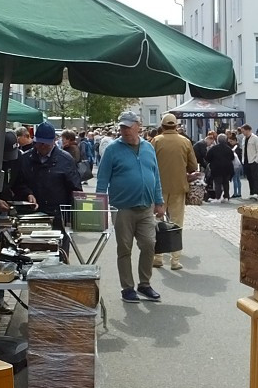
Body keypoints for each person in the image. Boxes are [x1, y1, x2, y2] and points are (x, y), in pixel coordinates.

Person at [96, 111, 165, 303]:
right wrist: (100, 209)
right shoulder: (112, 149)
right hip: (122, 208)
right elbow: (102, 180)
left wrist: (159, 201)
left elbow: (156, 176)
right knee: (124, 248)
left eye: (128, 126)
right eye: (122, 127)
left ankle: (145, 284)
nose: (124, 130)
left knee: (149, 245)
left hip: (145, 207)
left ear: (138, 126)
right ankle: (127, 287)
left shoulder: (148, 148)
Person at [12, 122, 81, 232]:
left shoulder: (66, 160)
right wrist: (27, 193)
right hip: (30, 215)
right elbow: (18, 183)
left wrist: (72, 216)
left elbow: (75, 189)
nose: (43, 147)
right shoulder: (25, 159)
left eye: (46, 144)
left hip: (57, 216)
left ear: (54, 141)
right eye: (40, 143)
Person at [151, 113, 199, 269]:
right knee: (177, 223)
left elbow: (149, 164)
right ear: (176, 126)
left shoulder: (156, 141)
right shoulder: (185, 142)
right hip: (178, 187)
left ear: (162, 126)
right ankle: (175, 260)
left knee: (158, 221)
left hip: (158, 188)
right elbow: (193, 166)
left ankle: (157, 257)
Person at [206, 133, 236, 202]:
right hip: (227, 168)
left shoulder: (213, 148)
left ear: (217, 140)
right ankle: (226, 197)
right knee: (226, 183)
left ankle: (218, 197)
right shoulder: (228, 149)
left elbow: (208, 157)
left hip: (216, 169)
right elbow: (232, 157)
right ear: (226, 140)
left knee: (218, 183)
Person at [239, 123, 258, 200]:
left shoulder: (255, 138)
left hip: (253, 161)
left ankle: (256, 192)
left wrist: (256, 160)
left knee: (255, 177)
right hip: (246, 161)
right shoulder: (244, 139)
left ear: (248, 130)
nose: (243, 133)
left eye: (244, 131)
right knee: (249, 177)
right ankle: (251, 192)